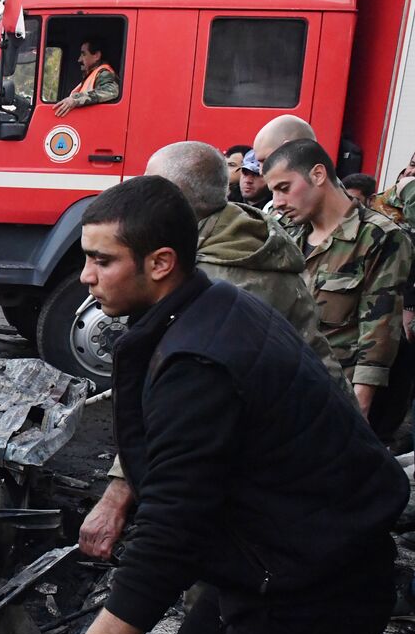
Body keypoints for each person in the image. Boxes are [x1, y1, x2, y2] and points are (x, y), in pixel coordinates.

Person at [28, 174, 406, 634]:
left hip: (316, 587)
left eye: (103, 260)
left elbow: (172, 529)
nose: (85, 276)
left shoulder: (200, 357)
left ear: (161, 263)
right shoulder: (205, 306)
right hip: (272, 555)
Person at [80, 141, 349, 604]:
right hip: (309, 448)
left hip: (298, 494)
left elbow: (185, 425)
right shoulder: (244, 234)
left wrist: (117, 495)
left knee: (216, 593)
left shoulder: (216, 288)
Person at [264, 138, 412, 427]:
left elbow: (379, 331)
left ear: (318, 175)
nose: (278, 202)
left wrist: (360, 406)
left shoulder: (379, 237)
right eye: (274, 192)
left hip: (336, 394)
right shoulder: (286, 234)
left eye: (284, 188)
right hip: (285, 387)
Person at [54, 34, 120, 117]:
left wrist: (76, 100)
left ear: (96, 55)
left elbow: (111, 90)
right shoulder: (92, 75)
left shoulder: (104, 73)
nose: (79, 59)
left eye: (83, 54)